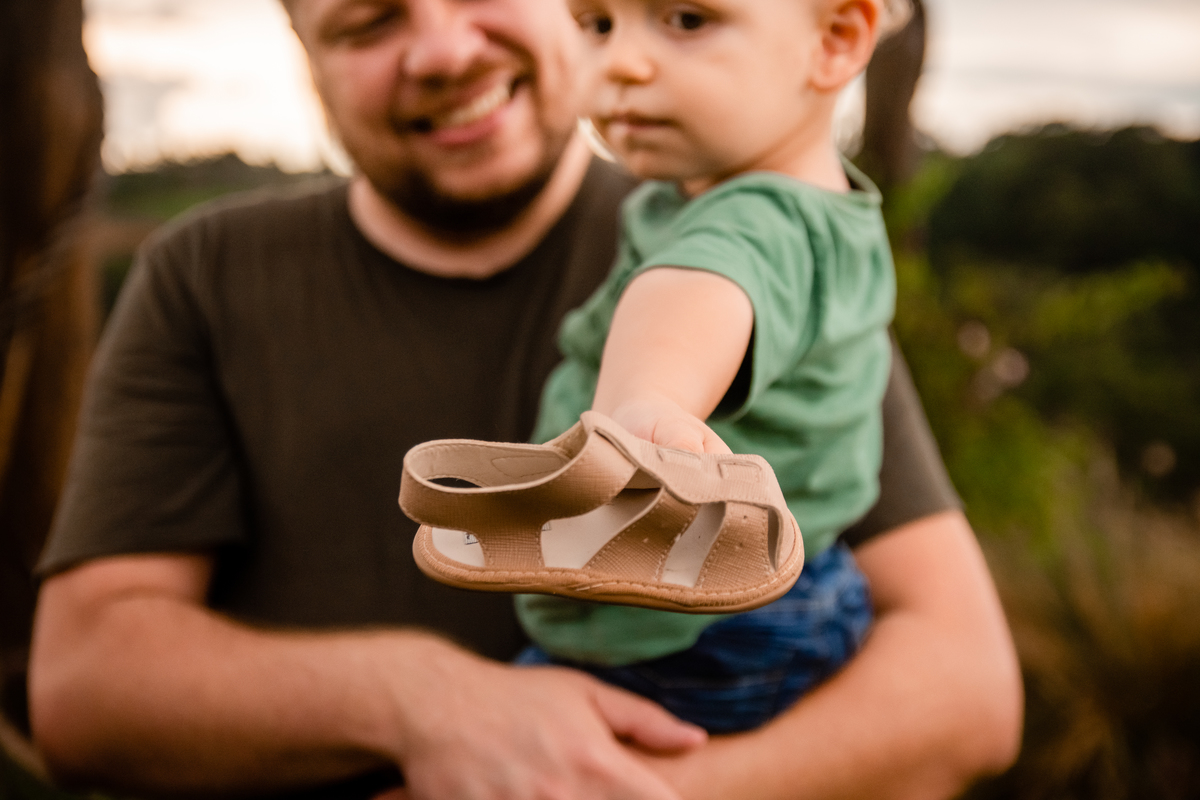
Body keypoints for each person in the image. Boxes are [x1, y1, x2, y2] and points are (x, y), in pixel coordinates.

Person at [27, 0, 1022, 798]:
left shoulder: (737, 214)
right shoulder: (206, 270)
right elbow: (79, 693)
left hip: (709, 653)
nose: (442, 48)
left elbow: (966, 689)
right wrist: (425, 702)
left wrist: (645, 417)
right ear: (301, 41)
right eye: (368, 22)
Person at [494, 0, 900, 733]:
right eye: (597, 24)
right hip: (776, 593)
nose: (621, 63)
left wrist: (644, 409)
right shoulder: (804, 209)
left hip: (699, 632)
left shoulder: (762, 219)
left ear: (836, 41)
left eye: (686, 19)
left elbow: (697, 290)